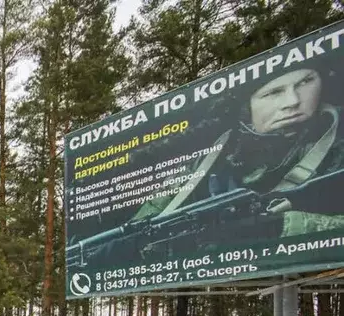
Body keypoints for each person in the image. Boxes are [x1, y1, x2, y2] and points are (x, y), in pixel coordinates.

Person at [134, 64, 344, 239]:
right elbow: (158, 207)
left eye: (305, 82)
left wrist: (280, 225)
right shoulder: (215, 151)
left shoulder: (337, 147)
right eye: (273, 92)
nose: (293, 101)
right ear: (246, 104)